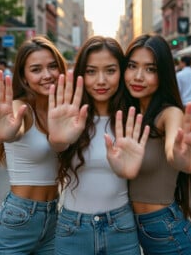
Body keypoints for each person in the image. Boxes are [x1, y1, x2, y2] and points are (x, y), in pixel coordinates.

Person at [48, 36, 149, 254]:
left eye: (110, 71)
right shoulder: (67, 115)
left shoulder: (134, 118)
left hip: (121, 228)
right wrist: (57, 139)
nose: (100, 80)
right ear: (81, 75)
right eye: (92, 71)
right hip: (72, 228)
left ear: (121, 73)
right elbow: (58, 147)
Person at [123, 34, 191, 254]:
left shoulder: (169, 113)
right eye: (132, 66)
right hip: (139, 231)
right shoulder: (131, 114)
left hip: (169, 234)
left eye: (150, 69)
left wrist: (179, 156)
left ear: (163, 74)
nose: (138, 76)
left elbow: (172, 149)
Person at [0, 36, 67, 254]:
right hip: (20, 217)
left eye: (52, 67)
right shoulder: (20, 109)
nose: (47, 75)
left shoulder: (64, 110)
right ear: (25, 78)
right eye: (36, 69)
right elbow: (13, 130)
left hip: (54, 219)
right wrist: (6, 133)